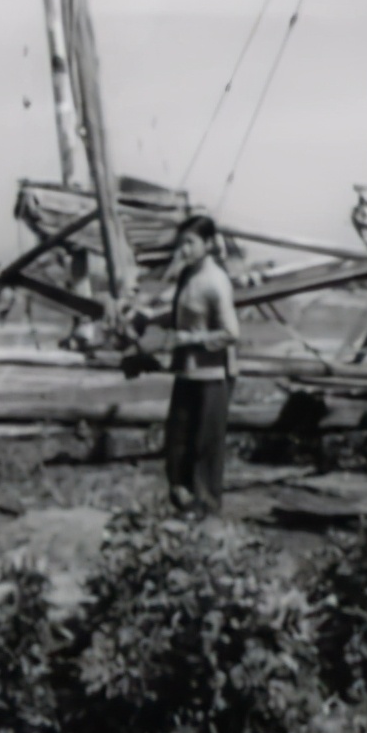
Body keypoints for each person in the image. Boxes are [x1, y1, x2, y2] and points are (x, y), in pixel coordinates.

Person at [162, 214, 240, 516]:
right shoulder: (187, 275)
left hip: (212, 375)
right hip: (187, 371)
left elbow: (231, 333)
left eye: (190, 243)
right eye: (181, 243)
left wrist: (188, 339)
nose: (184, 249)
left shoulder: (215, 282)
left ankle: (207, 511)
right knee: (178, 440)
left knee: (206, 446)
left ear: (208, 244)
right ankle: (182, 504)